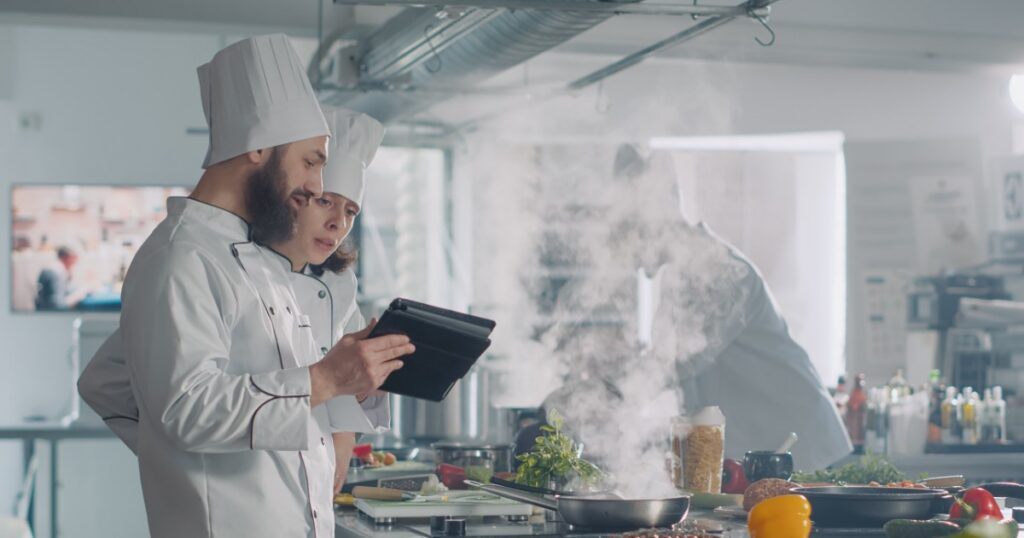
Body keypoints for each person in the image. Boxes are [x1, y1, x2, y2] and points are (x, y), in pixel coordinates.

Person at [77, 35, 413, 538]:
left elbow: (146, 399)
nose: (318, 188)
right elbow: (187, 408)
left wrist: (341, 374)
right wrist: (176, 466)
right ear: (258, 146)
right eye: (312, 161)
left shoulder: (258, 262)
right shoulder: (180, 257)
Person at [610, 143, 852, 471]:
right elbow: (686, 386)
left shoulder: (716, 268)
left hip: (803, 446)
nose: (629, 254)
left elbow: (677, 364)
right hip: (768, 449)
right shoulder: (681, 274)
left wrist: (606, 391)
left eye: (628, 231)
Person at [35, 244, 83, 310]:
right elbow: (58, 306)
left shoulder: (50, 268)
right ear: (66, 258)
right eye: (74, 259)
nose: (75, 263)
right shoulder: (57, 273)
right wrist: (83, 292)